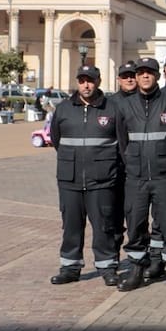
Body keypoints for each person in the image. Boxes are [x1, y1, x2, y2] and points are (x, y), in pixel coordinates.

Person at [50, 65, 125, 286]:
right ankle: (70, 268)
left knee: (104, 226)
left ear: (98, 81)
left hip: (102, 180)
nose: (86, 85)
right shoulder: (63, 109)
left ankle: (107, 267)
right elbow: (56, 140)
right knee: (71, 226)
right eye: (82, 80)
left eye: (90, 80)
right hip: (70, 179)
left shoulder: (112, 109)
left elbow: (122, 144)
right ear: (77, 82)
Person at [115, 57, 166, 293]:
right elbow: (122, 141)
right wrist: (132, 164)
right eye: (141, 72)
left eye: (149, 72)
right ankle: (136, 270)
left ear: (158, 75)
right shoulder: (125, 105)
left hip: (165, 176)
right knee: (135, 225)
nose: (145, 76)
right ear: (136, 76)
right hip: (136, 177)